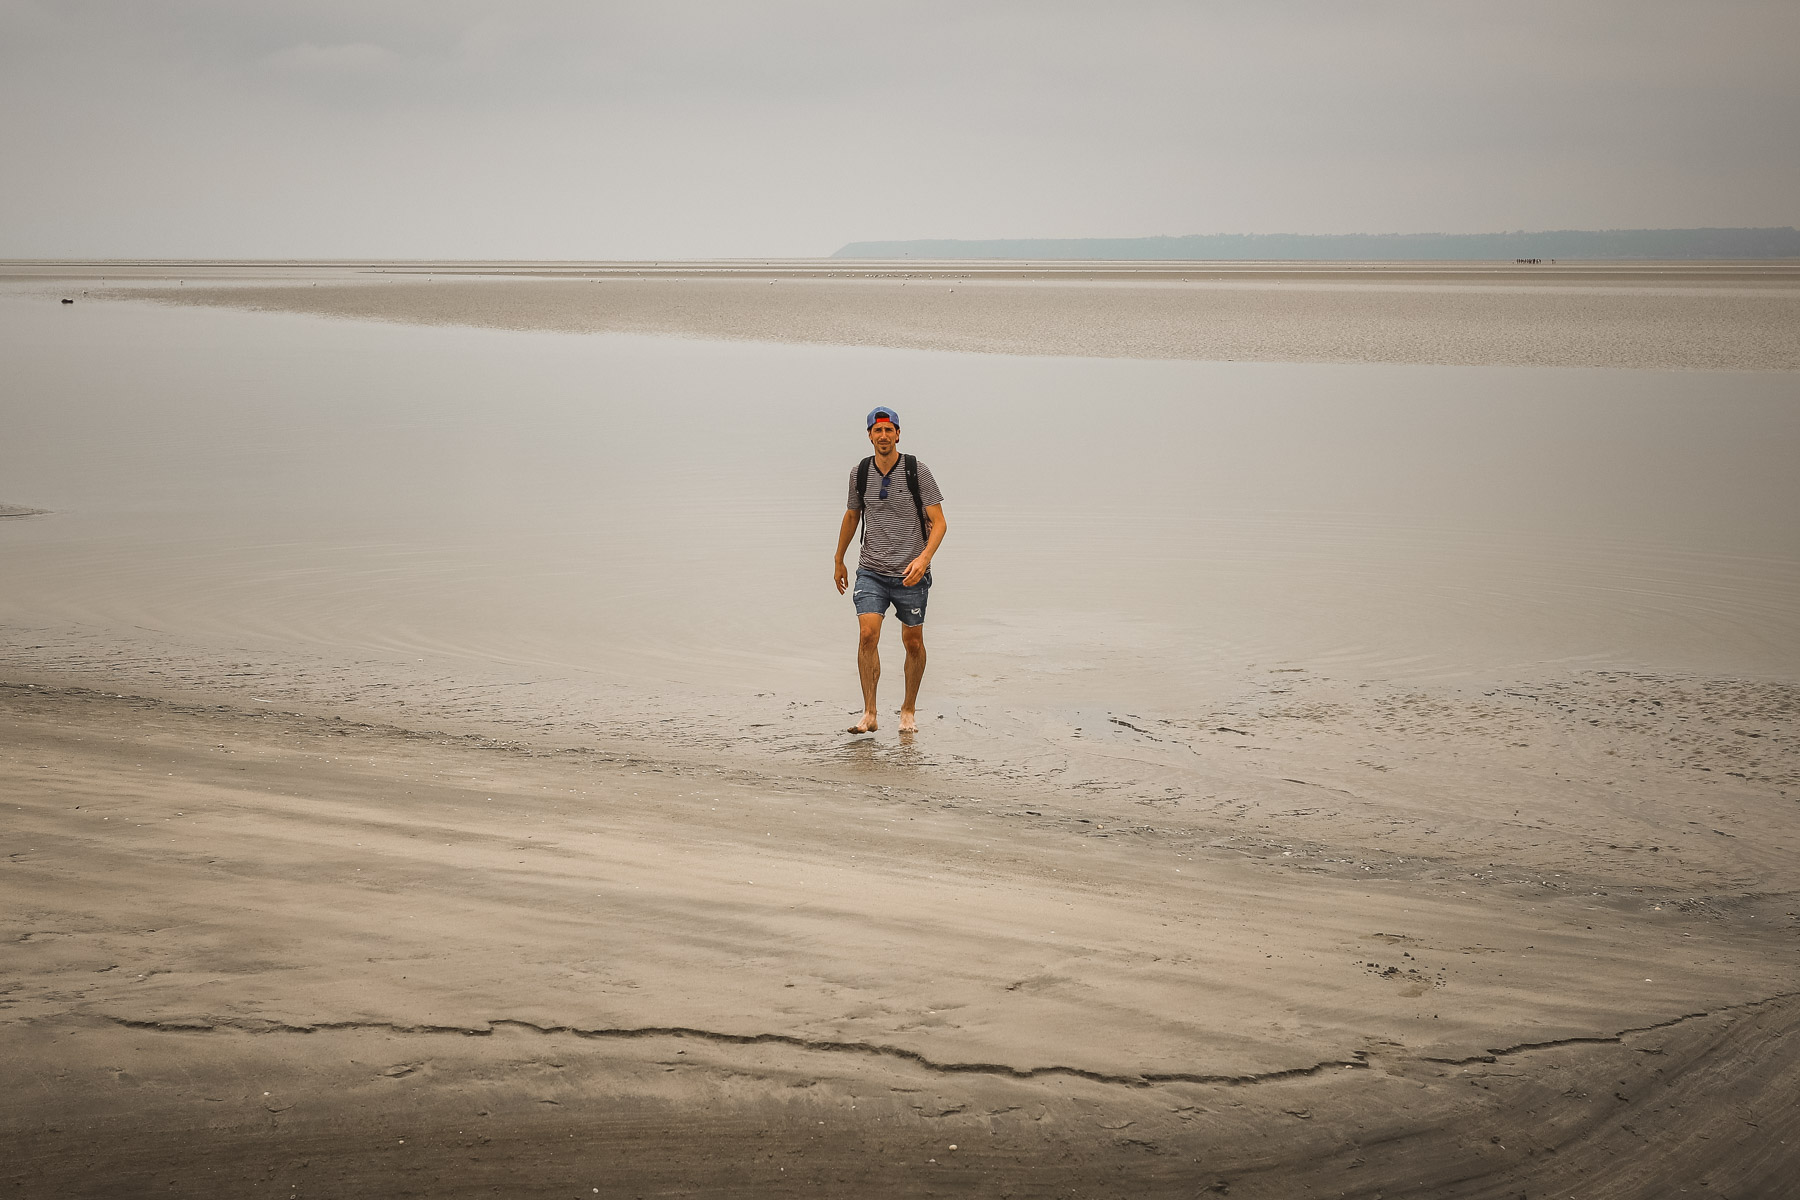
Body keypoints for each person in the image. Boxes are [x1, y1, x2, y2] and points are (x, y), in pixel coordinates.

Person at [833, 406, 947, 734]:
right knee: (868, 634)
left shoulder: (917, 470)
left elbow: (939, 523)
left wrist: (924, 558)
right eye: (877, 430)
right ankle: (869, 712)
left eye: (889, 430)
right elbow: (852, 515)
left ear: (898, 434)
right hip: (870, 569)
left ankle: (908, 710)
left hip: (911, 572)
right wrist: (839, 558)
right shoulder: (861, 473)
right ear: (869, 435)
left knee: (912, 642)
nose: (883, 436)